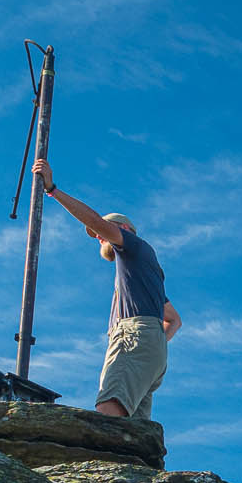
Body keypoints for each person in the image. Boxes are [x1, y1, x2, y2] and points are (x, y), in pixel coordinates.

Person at [31, 158, 181, 419]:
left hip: (133, 336)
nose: (98, 236)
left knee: (108, 416)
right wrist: (153, 341)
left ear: (123, 229)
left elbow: (95, 221)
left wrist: (52, 189)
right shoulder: (142, 270)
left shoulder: (133, 245)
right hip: (151, 347)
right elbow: (174, 320)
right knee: (133, 434)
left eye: (102, 232)